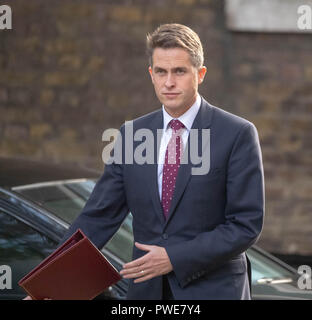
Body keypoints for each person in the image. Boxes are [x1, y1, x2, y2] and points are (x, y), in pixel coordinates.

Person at [35, 23, 265, 300]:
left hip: (214, 291)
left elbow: (245, 224)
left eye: (179, 71)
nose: (169, 82)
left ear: (200, 74)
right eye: (161, 72)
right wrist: (47, 286)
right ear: (151, 75)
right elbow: (98, 217)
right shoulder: (131, 135)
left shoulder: (237, 133)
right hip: (146, 293)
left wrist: (174, 258)